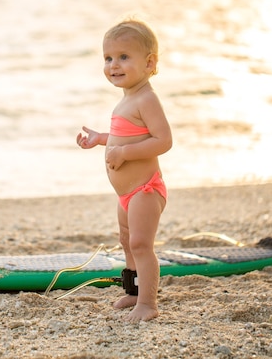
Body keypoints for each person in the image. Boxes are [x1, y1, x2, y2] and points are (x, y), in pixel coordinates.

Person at [76, 19, 172, 322]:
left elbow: (163, 141)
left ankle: (148, 303)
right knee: (127, 241)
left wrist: (124, 153)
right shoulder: (127, 99)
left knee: (142, 245)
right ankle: (133, 291)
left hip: (145, 190)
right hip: (126, 194)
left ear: (150, 63)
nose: (113, 65)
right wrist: (100, 140)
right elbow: (125, 136)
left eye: (123, 57)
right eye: (108, 58)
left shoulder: (147, 99)